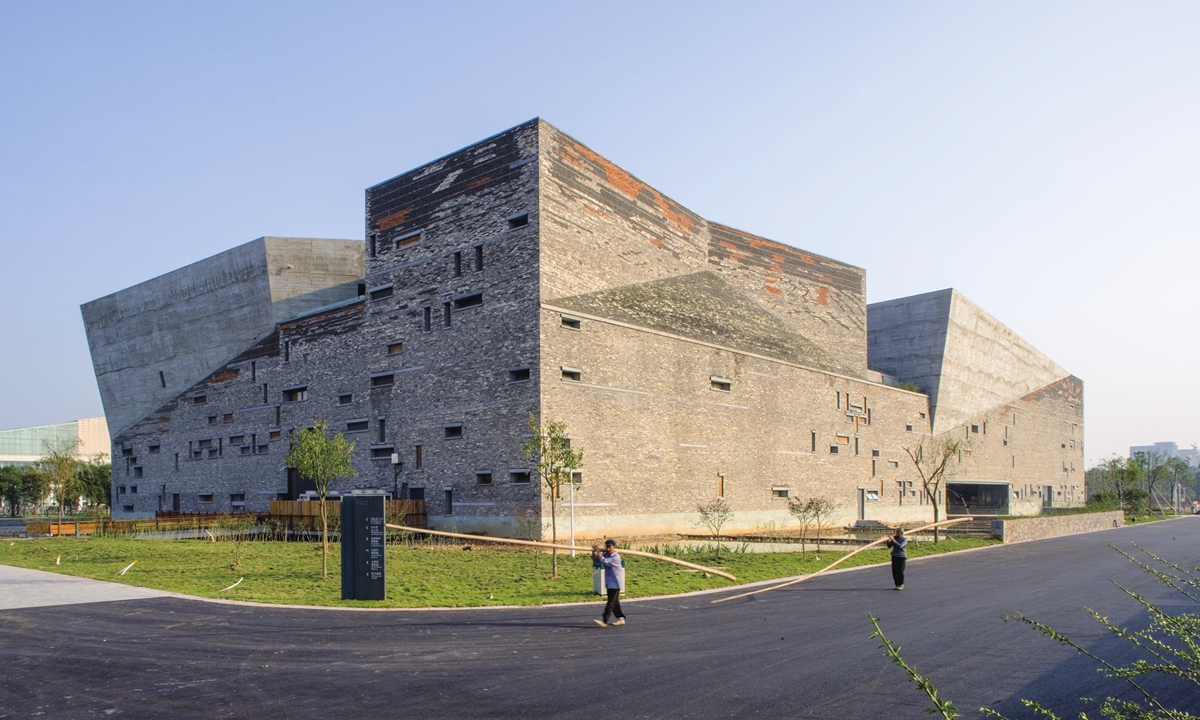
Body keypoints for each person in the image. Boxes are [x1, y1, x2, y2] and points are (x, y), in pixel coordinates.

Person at [593, 539, 626, 627]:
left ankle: (604, 620)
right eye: (606, 546)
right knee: (615, 602)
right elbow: (596, 560)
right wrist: (594, 552)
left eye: (609, 547)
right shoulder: (606, 555)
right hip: (609, 583)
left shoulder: (616, 557)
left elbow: (603, 561)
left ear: (613, 547)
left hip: (616, 583)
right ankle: (621, 618)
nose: (607, 549)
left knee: (611, 603)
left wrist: (598, 551)